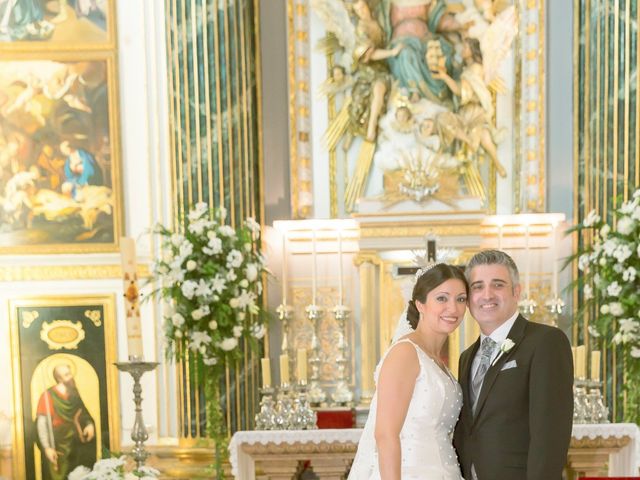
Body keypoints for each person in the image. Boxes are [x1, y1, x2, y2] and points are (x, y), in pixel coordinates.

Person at [453, 250, 573, 480]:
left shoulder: (545, 342)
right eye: (477, 286)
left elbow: (550, 435)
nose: (486, 294)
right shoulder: (466, 357)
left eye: (497, 285)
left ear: (516, 292)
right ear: (468, 298)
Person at [349, 263, 468, 479]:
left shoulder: (437, 362)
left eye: (460, 299)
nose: (453, 308)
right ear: (420, 304)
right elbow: (386, 435)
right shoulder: (405, 353)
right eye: (442, 298)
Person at [35, 363, 96, 480]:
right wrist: (47, 447)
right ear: (59, 378)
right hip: (58, 443)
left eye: (70, 373)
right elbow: (42, 425)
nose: (71, 377)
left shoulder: (73, 394)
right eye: (67, 375)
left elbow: (83, 412)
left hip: (76, 442)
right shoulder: (47, 396)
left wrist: (89, 424)